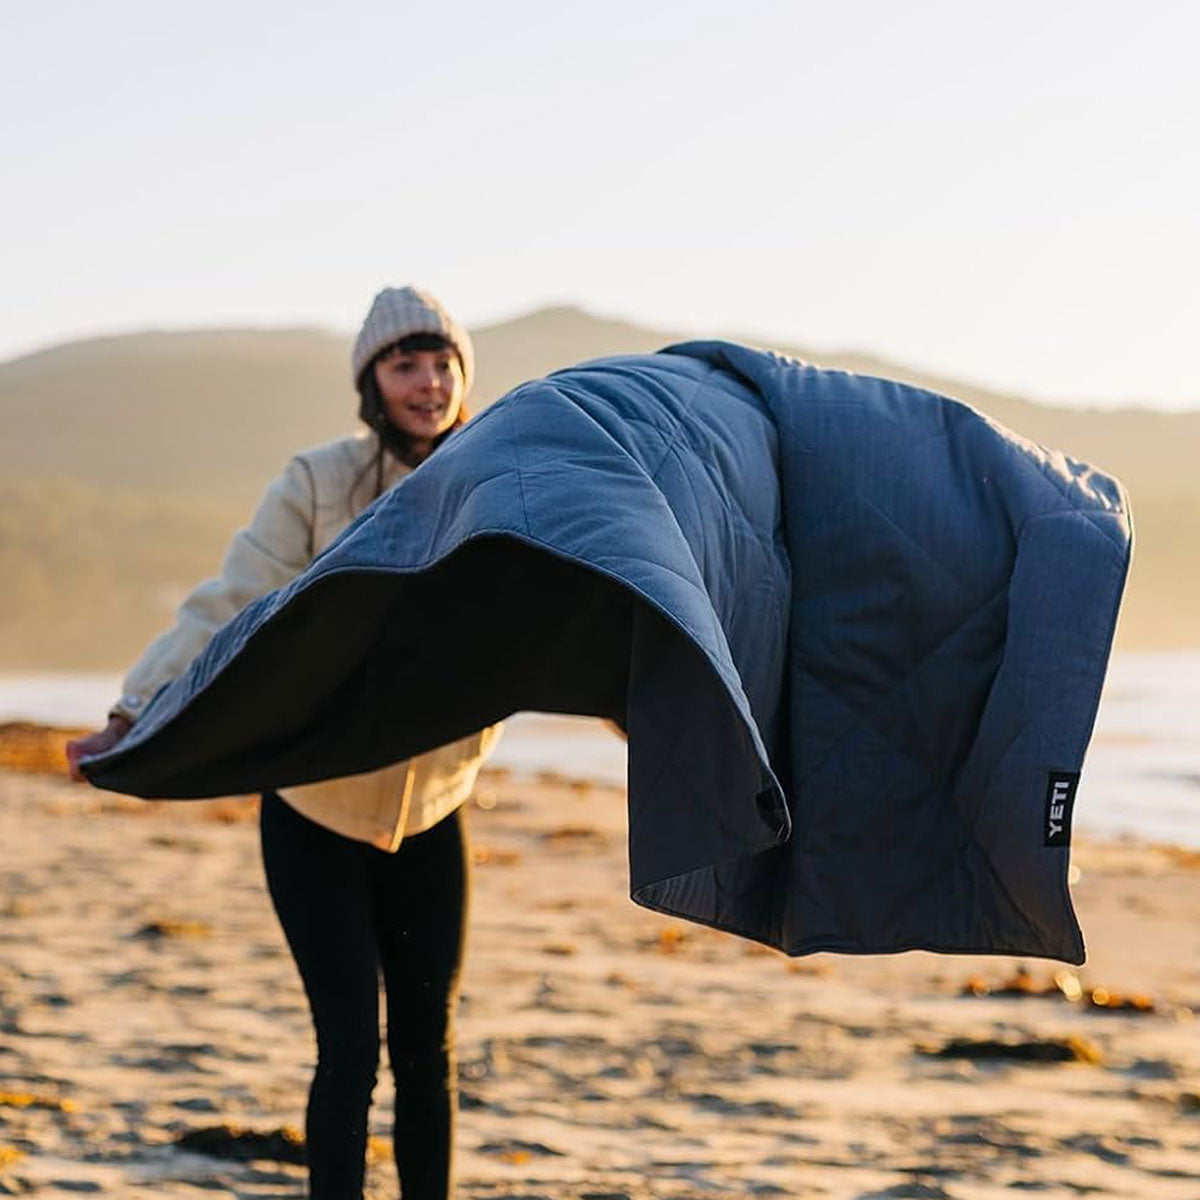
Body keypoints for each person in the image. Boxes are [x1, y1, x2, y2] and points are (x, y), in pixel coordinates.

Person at [67, 285, 500, 1200]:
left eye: (441, 364)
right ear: (370, 381)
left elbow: (582, 614)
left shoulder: (504, 479)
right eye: (403, 364)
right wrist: (134, 705)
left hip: (434, 811)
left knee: (428, 1043)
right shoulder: (318, 481)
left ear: (465, 374)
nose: (427, 384)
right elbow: (232, 598)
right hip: (315, 807)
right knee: (348, 1046)